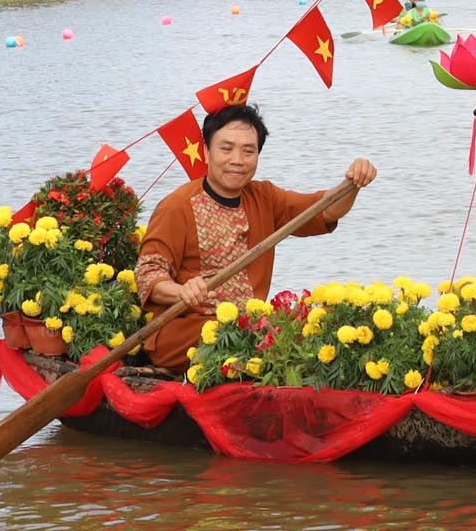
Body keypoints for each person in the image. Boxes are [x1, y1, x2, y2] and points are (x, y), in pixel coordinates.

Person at [133, 103, 375, 372]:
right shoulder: (176, 206)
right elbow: (148, 274)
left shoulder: (264, 197)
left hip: (250, 325)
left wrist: (352, 183)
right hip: (189, 331)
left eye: (248, 151)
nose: (237, 160)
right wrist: (182, 291)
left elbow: (326, 209)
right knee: (264, 342)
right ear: (206, 151)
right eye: (226, 149)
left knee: (322, 326)